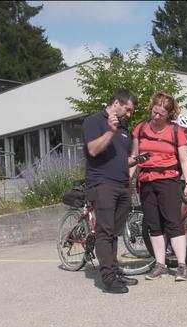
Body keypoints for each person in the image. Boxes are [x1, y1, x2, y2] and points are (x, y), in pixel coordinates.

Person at [132, 93, 187, 281]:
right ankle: (160, 264)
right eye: (154, 112)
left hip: (168, 180)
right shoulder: (140, 129)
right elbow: (134, 159)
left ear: (169, 114)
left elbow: (184, 159)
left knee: (173, 222)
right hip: (146, 181)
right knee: (154, 225)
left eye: (161, 113)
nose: (156, 116)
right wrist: (127, 181)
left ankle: (182, 265)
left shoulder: (176, 132)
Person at [82, 89, 139, 294]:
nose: (129, 114)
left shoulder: (123, 129)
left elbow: (122, 160)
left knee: (115, 232)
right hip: (102, 184)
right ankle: (108, 278)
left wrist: (139, 158)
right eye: (128, 109)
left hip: (122, 185)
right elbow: (93, 150)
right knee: (105, 231)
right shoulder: (93, 121)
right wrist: (109, 131)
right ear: (116, 103)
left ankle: (114, 270)